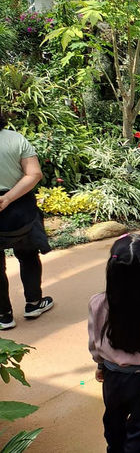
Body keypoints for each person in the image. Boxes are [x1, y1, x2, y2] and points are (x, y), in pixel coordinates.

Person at [88, 234, 140, 453]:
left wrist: (100, 365)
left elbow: (94, 342)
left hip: (113, 376)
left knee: (113, 421)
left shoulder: (98, 303)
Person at [0, 110, 53, 330]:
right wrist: (8, 197)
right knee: (28, 255)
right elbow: (34, 174)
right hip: (20, 212)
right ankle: (33, 303)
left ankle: (4, 315)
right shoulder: (16, 139)